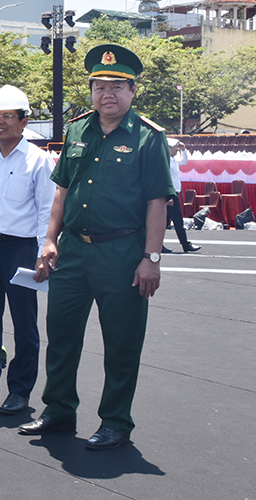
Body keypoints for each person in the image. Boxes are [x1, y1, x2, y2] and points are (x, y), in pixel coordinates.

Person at [19, 44, 174, 450]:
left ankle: (116, 421)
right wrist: (49, 240)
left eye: (117, 87)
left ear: (133, 91)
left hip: (122, 254)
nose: (108, 94)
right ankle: (58, 410)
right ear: (90, 91)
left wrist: (151, 259)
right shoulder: (76, 130)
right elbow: (61, 193)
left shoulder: (148, 138)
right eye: (100, 86)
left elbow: (157, 202)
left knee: (122, 342)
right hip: (72, 251)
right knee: (62, 333)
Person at [0, 85, 55, 415]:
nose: (0, 122)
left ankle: (20, 390)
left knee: (24, 323)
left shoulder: (39, 161)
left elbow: (46, 210)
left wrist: (41, 254)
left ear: (24, 121)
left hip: (21, 250)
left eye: (7, 116)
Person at [164, 138, 200, 253]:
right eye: (175, 147)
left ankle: (158, 245)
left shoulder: (172, 159)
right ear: (168, 148)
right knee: (177, 221)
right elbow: (165, 179)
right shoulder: (166, 161)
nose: (177, 149)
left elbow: (184, 161)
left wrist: (184, 150)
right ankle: (185, 244)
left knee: (165, 222)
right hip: (170, 195)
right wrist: (168, 196)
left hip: (173, 194)